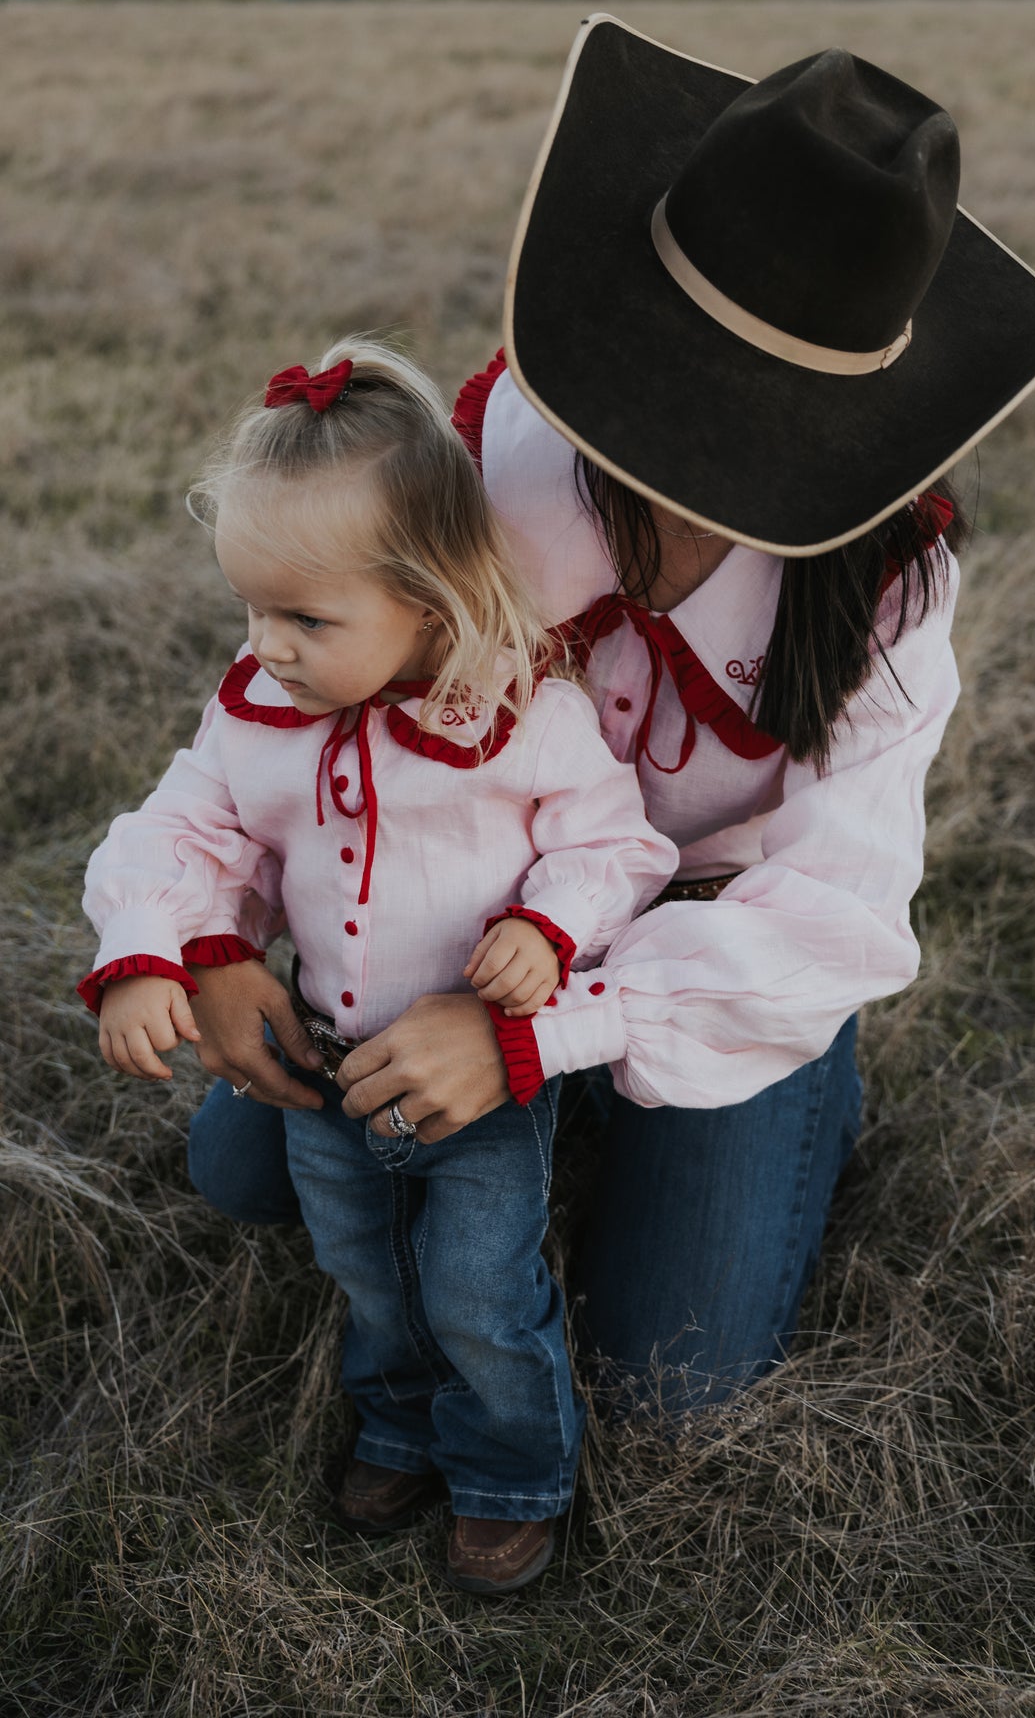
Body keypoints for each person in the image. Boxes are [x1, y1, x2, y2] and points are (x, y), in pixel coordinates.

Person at [181, 21, 1035, 1498]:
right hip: (477, 881)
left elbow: (834, 908)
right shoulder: (499, 441)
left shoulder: (888, 590)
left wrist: (544, 1036)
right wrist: (216, 931)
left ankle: (744, 1083)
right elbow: (297, 676)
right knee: (239, 1170)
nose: (682, 447)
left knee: (669, 1380)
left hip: (714, 928)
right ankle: (554, 1103)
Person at [77, 336, 679, 1593]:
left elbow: (617, 847)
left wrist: (547, 930)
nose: (269, 646)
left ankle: (511, 1467)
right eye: (251, 609)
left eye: (306, 618)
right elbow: (181, 829)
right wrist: (151, 951)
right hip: (328, 1059)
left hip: (479, 1077)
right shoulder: (256, 712)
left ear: (431, 598)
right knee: (364, 1267)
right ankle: (400, 1418)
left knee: (473, 1281)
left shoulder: (522, 717)